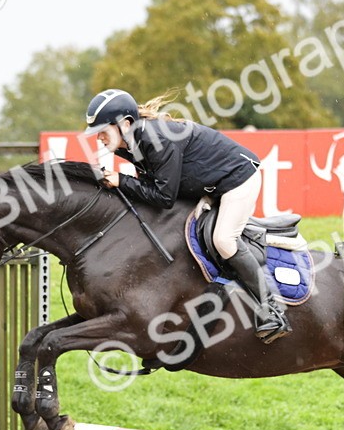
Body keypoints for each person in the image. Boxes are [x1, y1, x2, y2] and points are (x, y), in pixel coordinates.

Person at [84, 88, 289, 343]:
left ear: (125, 124)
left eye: (102, 131)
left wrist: (121, 181)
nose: (99, 139)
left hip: (238, 179)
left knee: (224, 240)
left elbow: (163, 197)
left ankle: (272, 308)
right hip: (205, 185)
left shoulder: (158, 139)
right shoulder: (127, 144)